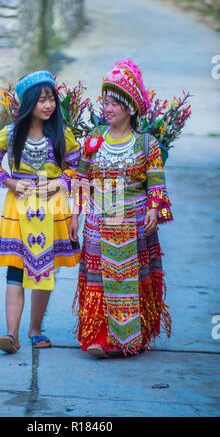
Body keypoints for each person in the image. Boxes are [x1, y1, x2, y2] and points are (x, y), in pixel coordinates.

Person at [69, 60, 173, 358]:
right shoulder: (93, 141)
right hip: (99, 222)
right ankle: (99, 337)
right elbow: (82, 181)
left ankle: (132, 338)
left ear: (130, 108)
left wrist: (154, 209)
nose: (107, 107)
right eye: (105, 101)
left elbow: (156, 183)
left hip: (134, 222)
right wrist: (75, 215)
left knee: (132, 279)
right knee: (99, 277)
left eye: (115, 103)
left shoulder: (146, 144)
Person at [0, 70, 81, 353]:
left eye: (52, 100)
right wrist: (11, 181)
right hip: (18, 208)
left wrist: (60, 181)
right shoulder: (10, 135)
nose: (48, 106)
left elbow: (77, 170)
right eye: (42, 100)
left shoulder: (62, 134)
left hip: (53, 208)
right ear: (29, 103)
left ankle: (34, 330)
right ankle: (11, 334)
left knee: (46, 270)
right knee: (15, 269)